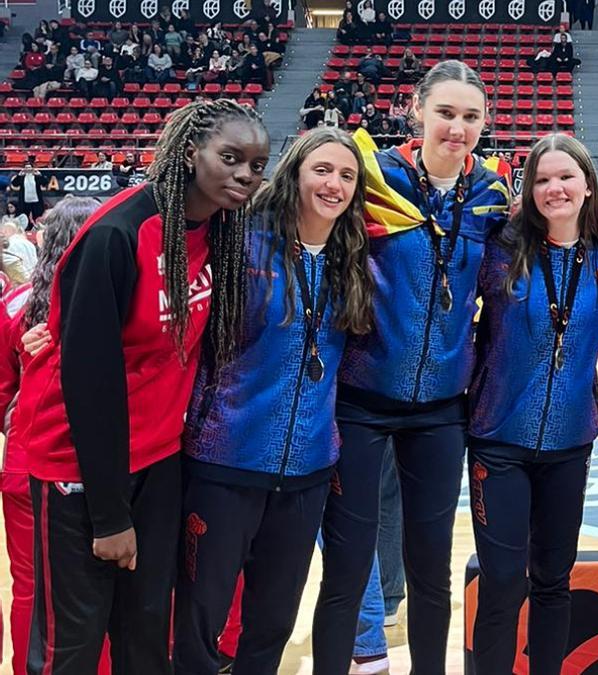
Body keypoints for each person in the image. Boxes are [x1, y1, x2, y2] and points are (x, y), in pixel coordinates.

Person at [12, 99, 269, 674]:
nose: (245, 175)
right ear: (187, 153)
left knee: (147, 633)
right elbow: (88, 382)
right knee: (72, 647)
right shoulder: (118, 234)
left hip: (158, 460)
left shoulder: (217, 231)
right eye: (230, 158)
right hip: (77, 466)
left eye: (256, 164)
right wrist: (108, 514)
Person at [313, 60, 511, 674]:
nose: (457, 127)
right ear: (417, 111)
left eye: (470, 116)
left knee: (432, 570)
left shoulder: (493, 196)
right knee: (346, 569)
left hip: (441, 411)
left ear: (484, 124)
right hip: (361, 399)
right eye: (446, 113)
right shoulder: (373, 178)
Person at [172, 127, 374, 675]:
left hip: (307, 472)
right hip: (224, 461)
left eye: (347, 175)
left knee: (272, 624)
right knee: (198, 620)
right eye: (323, 170)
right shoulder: (240, 243)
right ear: (295, 174)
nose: (334, 184)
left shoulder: (351, 260)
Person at [468, 134, 598, 675]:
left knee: (555, 580)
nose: (555, 188)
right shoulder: (500, 251)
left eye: (565, 177)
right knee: (504, 582)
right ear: (528, 189)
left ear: (587, 185)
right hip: (499, 438)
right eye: (542, 179)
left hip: (571, 443)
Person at [0, 196, 100, 675]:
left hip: (26, 466)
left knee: (29, 588)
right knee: (99, 588)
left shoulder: (13, 305)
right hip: (104, 469)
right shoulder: (117, 299)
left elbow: (3, 398)